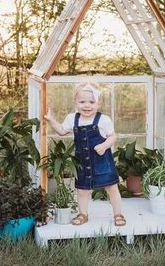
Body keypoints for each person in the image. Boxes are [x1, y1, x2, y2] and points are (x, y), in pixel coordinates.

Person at [44, 82, 126, 227]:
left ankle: (118, 214)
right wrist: (51, 120)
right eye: (82, 102)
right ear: (75, 102)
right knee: (82, 190)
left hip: (102, 162)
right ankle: (83, 214)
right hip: (82, 162)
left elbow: (113, 136)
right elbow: (62, 131)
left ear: (98, 103)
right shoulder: (72, 119)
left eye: (91, 102)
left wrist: (104, 145)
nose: (87, 105)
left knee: (112, 188)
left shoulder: (103, 120)